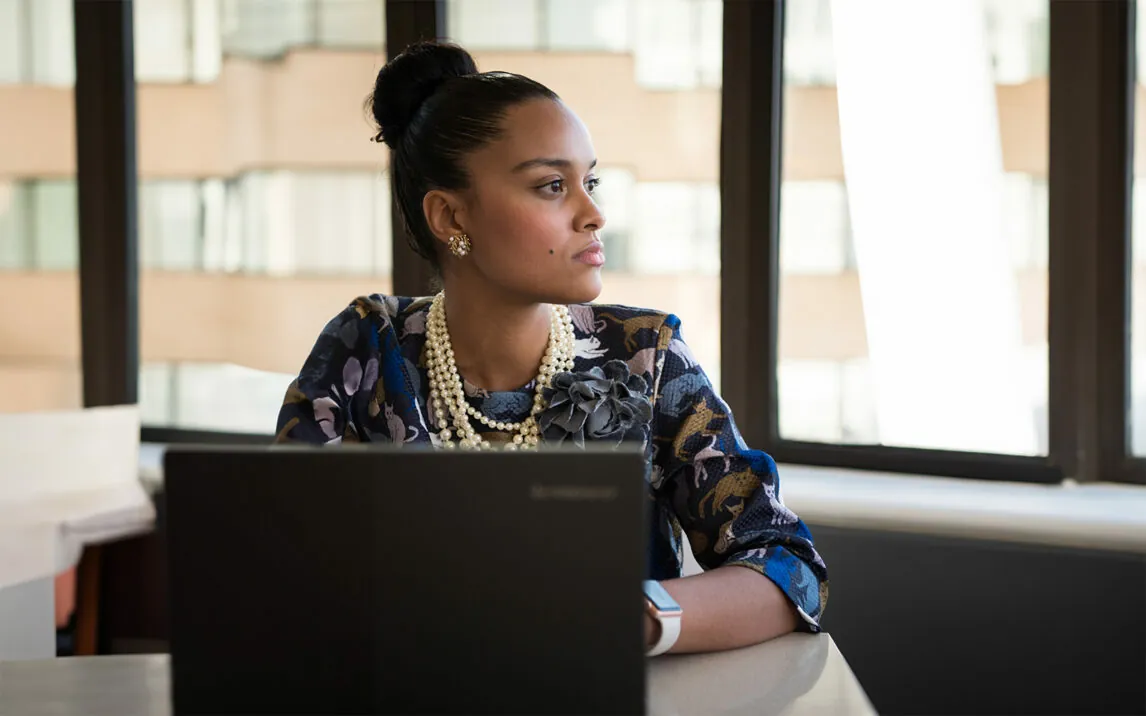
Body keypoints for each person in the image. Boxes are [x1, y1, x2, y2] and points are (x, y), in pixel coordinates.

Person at [275, 40, 828, 656]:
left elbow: (788, 570)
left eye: (589, 181)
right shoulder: (367, 349)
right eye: (551, 185)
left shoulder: (647, 355)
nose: (593, 214)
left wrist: (633, 618)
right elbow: (284, 572)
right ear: (451, 217)